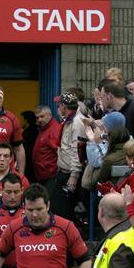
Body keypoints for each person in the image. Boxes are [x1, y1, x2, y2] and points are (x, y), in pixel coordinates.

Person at [51, 92, 86, 221]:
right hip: (63, 171)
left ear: (64, 106)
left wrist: (73, 176)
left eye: (59, 105)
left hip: (69, 174)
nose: (58, 108)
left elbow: (77, 151)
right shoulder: (68, 121)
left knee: (63, 212)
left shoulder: (76, 123)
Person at [32, 105, 61, 198]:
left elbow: (59, 152)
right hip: (43, 176)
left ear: (50, 115)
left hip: (51, 176)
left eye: (42, 116)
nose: (39, 119)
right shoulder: (44, 129)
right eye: (37, 117)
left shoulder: (53, 130)